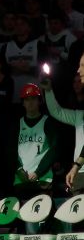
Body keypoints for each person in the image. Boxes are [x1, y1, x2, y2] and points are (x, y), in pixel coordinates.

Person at [14, 83, 60, 232]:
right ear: (22, 103)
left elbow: (54, 149)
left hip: (42, 181)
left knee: (43, 223)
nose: (30, 102)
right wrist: (20, 170)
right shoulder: (17, 123)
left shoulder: (48, 122)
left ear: (40, 101)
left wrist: (38, 172)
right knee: (22, 223)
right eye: (27, 99)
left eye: (34, 99)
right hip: (21, 180)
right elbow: (10, 151)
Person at [41, 60, 84, 194]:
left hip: (77, 167)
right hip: (79, 172)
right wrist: (48, 91)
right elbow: (57, 112)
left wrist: (76, 165)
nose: (77, 84)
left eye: (80, 80)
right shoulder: (79, 115)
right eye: (75, 81)